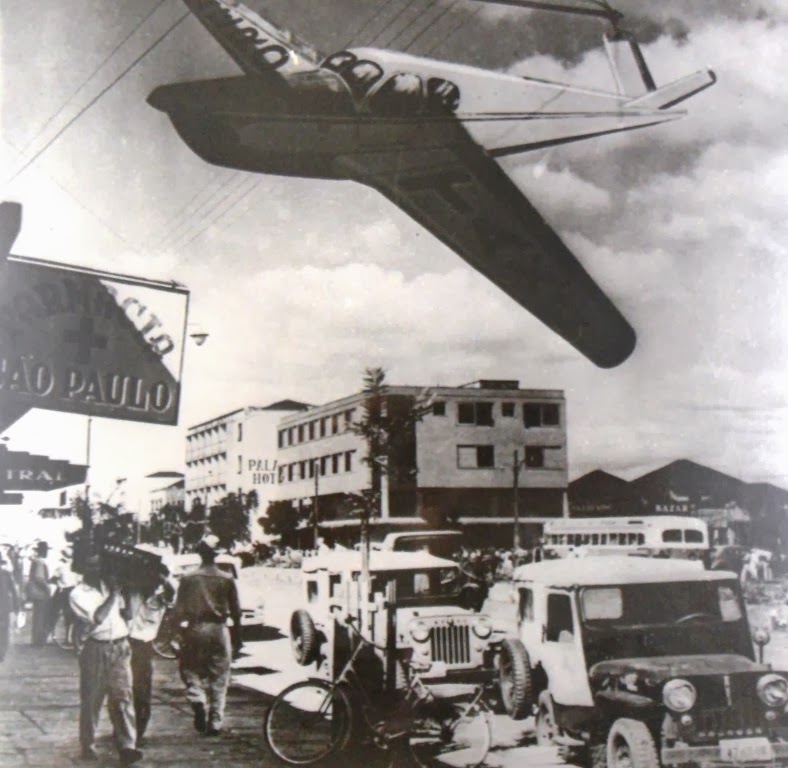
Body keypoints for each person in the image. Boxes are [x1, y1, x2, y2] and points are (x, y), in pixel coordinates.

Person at [69, 555, 142, 766]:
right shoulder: (77, 594)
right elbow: (98, 617)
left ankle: (128, 746)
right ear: (82, 568)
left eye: (99, 564)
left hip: (120, 645)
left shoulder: (108, 584)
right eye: (91, 565)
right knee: (92, 699)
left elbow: (127, 614)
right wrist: (113, 594)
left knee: (123, 697)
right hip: (95, 648)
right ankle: (87, 744)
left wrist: (131, 592)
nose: (97, 568)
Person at [172, 535, 241, 736]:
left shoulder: (187, 578)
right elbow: (236, 611)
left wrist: (177, 634)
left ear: (200, 554)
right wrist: (238, 636)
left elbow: (178, 611)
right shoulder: (227, 579)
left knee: (190, 667)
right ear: (216, 555)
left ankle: (197, 698)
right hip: (219, 629)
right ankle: (215, 722)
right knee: (220, 676)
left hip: (195, 628)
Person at [125, 565, 175, 746]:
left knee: (142, 691)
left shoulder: (161, 599)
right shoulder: (132, 592)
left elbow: (172, 592)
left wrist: (162, 577)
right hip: (126, 642)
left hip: (144, 647)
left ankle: (138, 731)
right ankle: (122, 729)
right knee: (122, 689)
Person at [27, 541, 52, 646]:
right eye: (46, 550)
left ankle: (35, 639)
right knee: (41, 616)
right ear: (44, 551)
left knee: (37, 616)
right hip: (40, 593)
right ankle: (38, 641)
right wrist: (48, 588)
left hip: (35, 592)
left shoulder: (35, 561)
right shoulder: (41, 562)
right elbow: (39, 578)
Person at [0, 551, 20, 662]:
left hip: (3, 606)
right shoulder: (6, 574)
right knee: (3, 630)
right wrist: (17, 606)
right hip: (4, 607)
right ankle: (1, 653)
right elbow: (13, 591)